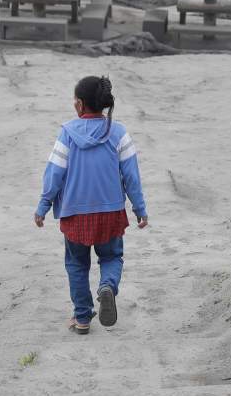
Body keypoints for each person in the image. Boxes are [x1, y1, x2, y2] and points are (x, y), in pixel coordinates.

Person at [35, 76, 148, 335]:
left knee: (76, 263)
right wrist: (139, 208)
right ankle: (107, 287)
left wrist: (43, 205)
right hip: (111, 211)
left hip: (75, 213)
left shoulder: (68, 133)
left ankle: (83, 317)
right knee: (111, 256)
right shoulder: (118, 132)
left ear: (81, 105)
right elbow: (132, 176)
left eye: (75, 99)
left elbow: (55, 173)